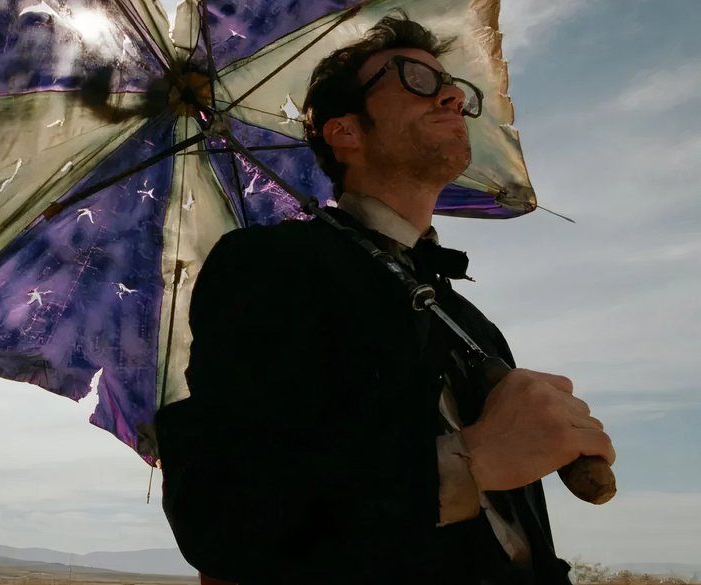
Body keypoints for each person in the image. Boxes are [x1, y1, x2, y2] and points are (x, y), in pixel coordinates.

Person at [155, 14, 615, 585]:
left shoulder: (474, 323)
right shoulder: (269, 265)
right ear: (345, 132)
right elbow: (226, 515)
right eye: (415, 80)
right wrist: (470, 462)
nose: (450, 95)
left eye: (453, 88)